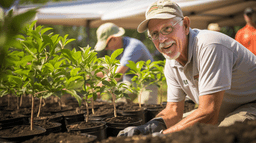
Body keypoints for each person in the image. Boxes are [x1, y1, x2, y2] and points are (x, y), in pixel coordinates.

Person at [117, 0, 256, 137]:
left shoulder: (210, 46)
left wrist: (160, 136)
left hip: (250, 103)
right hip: (221, 109)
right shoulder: (171, 62)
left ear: (185, 25)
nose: (162, 39)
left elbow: (209, 114)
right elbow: (173, 110)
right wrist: (146, 129)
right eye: (154, 34)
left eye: (167, 28)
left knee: (221, 134)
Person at [94, 22, 158, 104]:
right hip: (130, 80)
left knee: (146, 106)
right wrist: (91, 76)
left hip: (147, 80)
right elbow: (110, 71)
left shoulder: (133, 46)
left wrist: (98, 89)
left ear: (114, 38)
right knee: (119, 103)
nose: (106, 49)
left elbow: (118, 73)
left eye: (106, 45)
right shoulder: (116, 50)